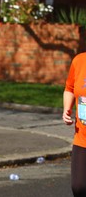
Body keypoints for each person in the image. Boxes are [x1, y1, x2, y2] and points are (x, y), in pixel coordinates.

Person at [63, 52, 86, 196]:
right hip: (82, 137)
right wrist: (67, 108)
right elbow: (69, 88)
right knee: (79, 187)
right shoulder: (79, 60)